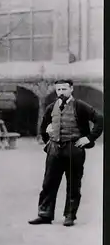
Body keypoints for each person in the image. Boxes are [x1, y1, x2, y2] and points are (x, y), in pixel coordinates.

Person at [28, 79, 103, 227]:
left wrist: (88, 138)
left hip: (73, 150)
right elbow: (43, 127)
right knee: (49, 183)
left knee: (73, 184)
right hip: (54, 150)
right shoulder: (51, 107)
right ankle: (45, 214)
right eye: (58, 90)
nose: (61, 92)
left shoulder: (80, 106)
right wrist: (48, 142)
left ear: (71, 89)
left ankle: (70, 215)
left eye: (64, 89)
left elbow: (99, 120)